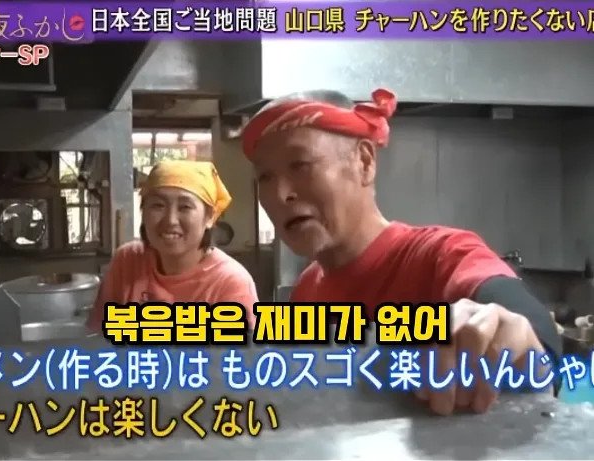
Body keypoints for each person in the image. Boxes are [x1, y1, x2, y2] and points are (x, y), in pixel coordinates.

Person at [241, 88, 562, 416]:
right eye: (265, 177)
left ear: (364, 162)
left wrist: (510, 332)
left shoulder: (439, 254)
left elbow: (522, 326)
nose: (280, 194)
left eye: (301, 165)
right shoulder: (308, 288)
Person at [87, 159, 259, 332]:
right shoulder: (127, 260)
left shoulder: (230, 282)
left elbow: (238, 349)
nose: (170, 220)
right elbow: (97, 335)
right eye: (158, 205)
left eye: (185, 207)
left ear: (209, 217)